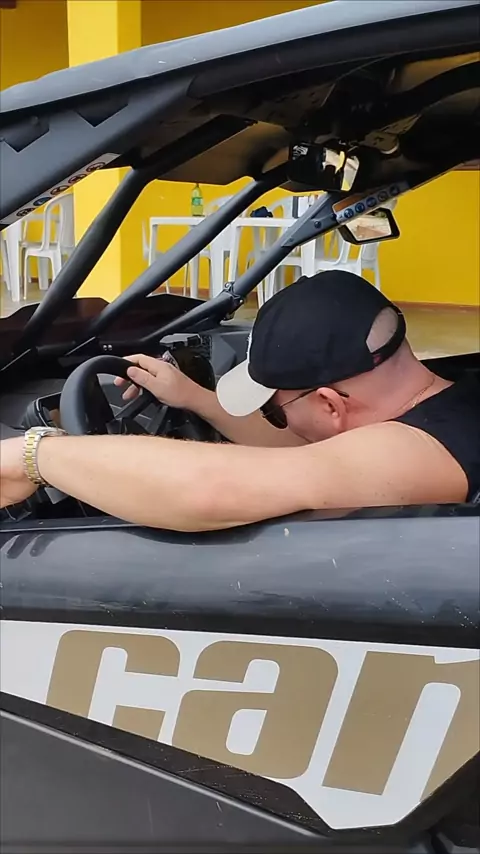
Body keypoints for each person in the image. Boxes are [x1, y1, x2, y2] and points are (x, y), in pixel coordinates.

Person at [1, 271, 478, 530]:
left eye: (273, 410)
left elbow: (210, 489)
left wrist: (35, 457)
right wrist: (192, 397)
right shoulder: (454, 400)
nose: (272, 419)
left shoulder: (418, 453)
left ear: (332, 405)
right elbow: (307, 453)